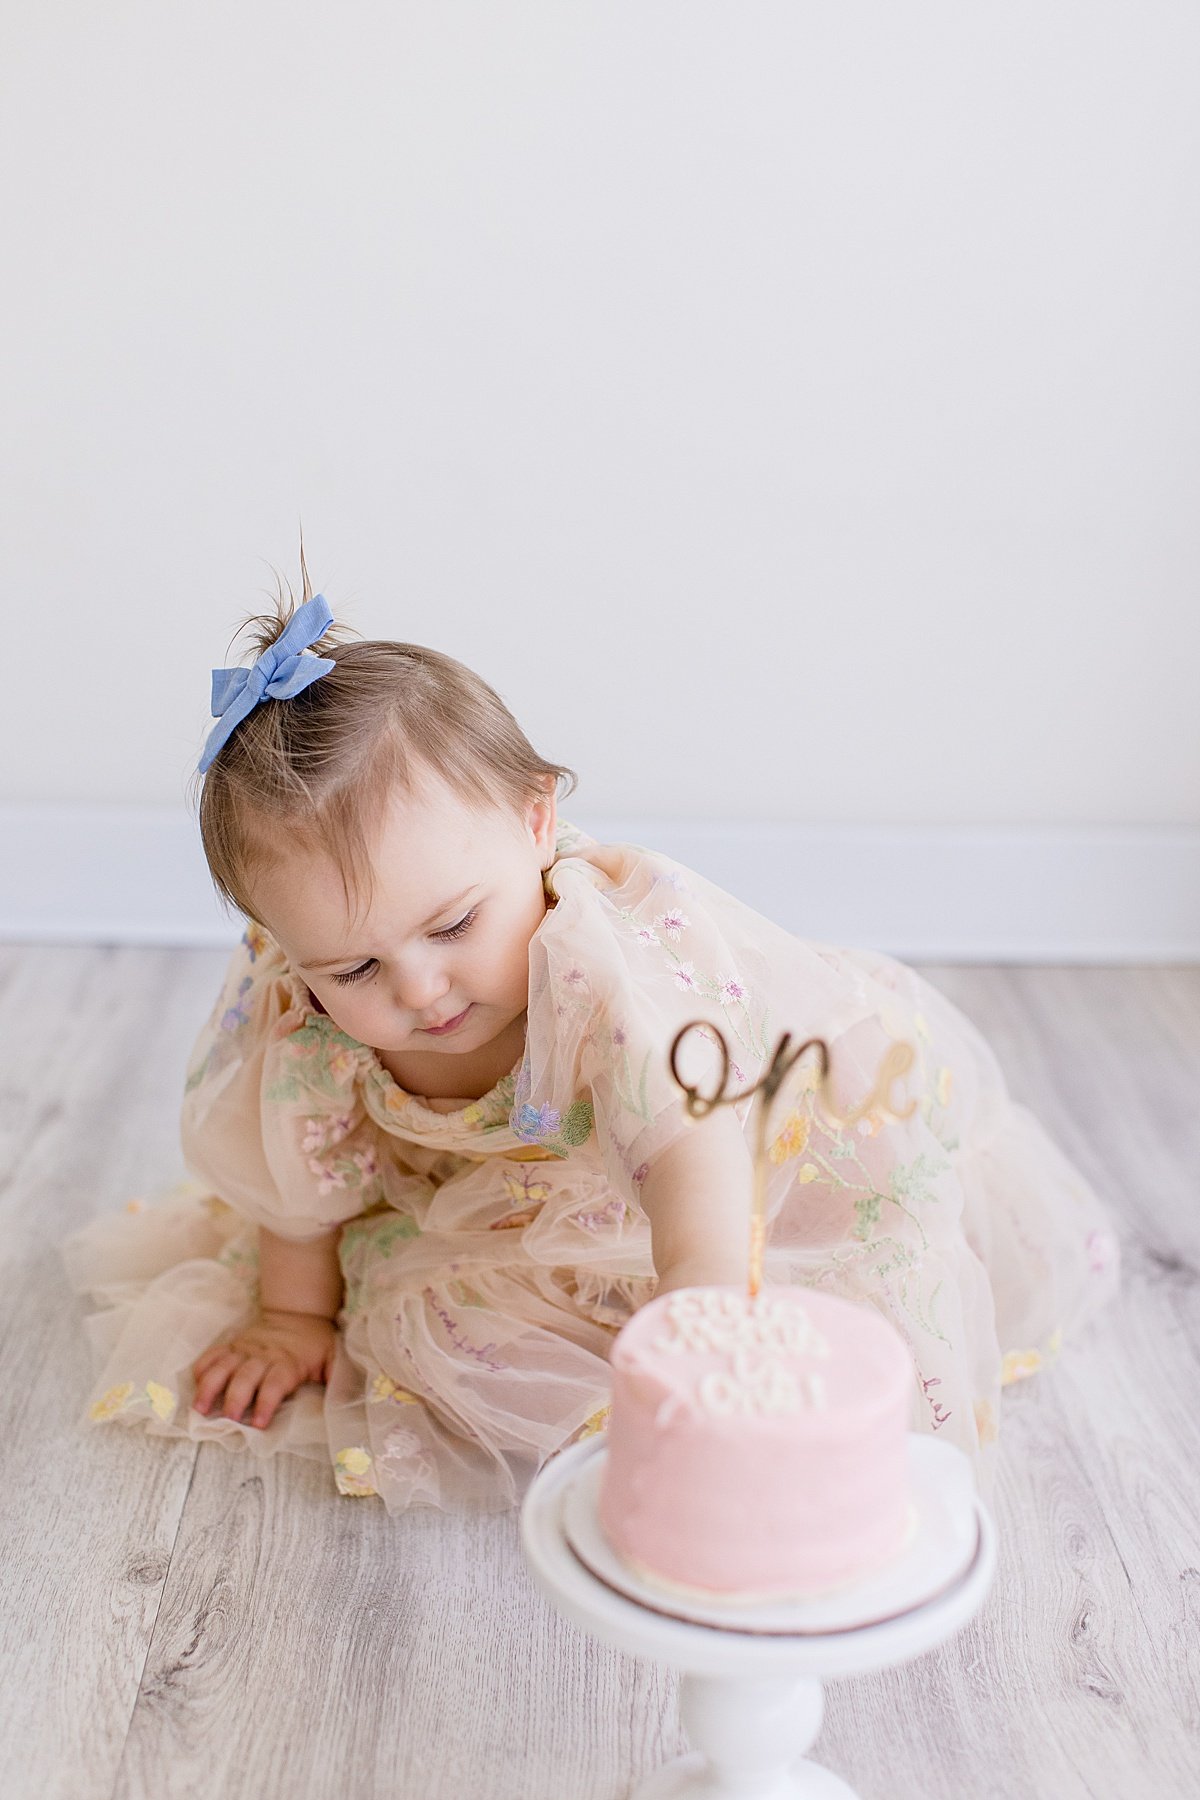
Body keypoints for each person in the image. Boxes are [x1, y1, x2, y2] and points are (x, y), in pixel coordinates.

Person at [60, 574, 1121, 1515]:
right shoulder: (307, 1008)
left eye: (451, 927)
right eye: (354, 969)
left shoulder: (611, 970)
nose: (420, 989)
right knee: (430, 1328)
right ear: (285, 947)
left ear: (534, 826)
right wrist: (294, 1316)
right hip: (511, 1196)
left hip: (732, 1136)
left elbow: (691, 1150)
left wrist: (702, 1305)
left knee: (826, 1265)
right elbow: (296, 1173)